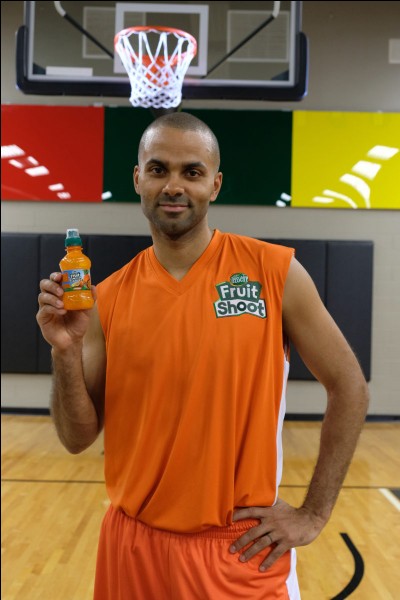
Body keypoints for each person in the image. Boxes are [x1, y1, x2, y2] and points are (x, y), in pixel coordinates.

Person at [37, 112, 369, 599]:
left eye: (191, 172)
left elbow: (350, 386)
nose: (174, 185)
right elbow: (76, 438)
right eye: (159, 169)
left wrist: (314, 512)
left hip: (240, 551)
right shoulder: (106, 298)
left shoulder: (274, 272)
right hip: (133, 547)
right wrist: (64, 352)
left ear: (214, 185)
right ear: (138, 179)